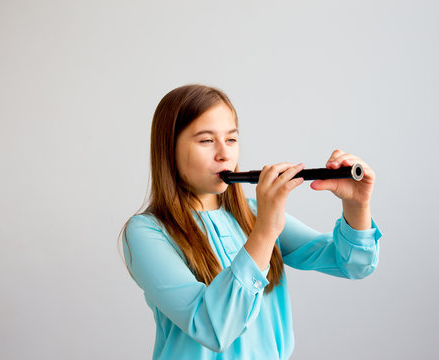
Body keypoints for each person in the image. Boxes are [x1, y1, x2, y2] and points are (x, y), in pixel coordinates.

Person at [119, 84, 382, 359]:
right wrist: (266, 230)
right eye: (206, 140)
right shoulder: (146, 232)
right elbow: (213, 328)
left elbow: (351, 264)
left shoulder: (253, 213)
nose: (224, 154)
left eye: (231, 139)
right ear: (169, 149)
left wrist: (356, 204)